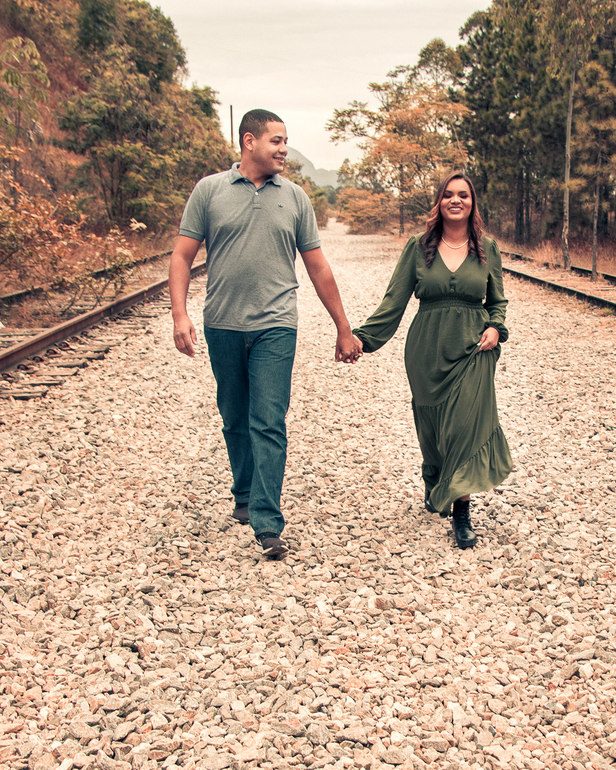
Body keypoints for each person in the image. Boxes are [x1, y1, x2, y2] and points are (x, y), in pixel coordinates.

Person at [169, 109, 361, 560]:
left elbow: (317, 266)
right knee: (234, 416)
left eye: (286, 141)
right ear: (249, 141)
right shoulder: (209, 191)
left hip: (277, 326)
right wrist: (180, 315)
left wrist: (343, 326)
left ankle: (268, 522)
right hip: (222, 324)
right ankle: (244, 492)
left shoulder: (294, 198)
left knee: (269, 420)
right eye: (276, 140)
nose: (284, 149)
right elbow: (182, 257)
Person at [352, 170, 512, 549]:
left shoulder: (487, 248)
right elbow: (394, 301)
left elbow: (498, 301)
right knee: (433, 426)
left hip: (473, 349)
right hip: (427, 350)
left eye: (463, 195)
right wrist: (361, 338)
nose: (456, 200)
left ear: (472, 203)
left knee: (463, 428)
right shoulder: (418, 246)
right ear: (439, 202)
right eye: (448, 195)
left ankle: (462, 512)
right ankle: (434, 475)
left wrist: (496, 327)